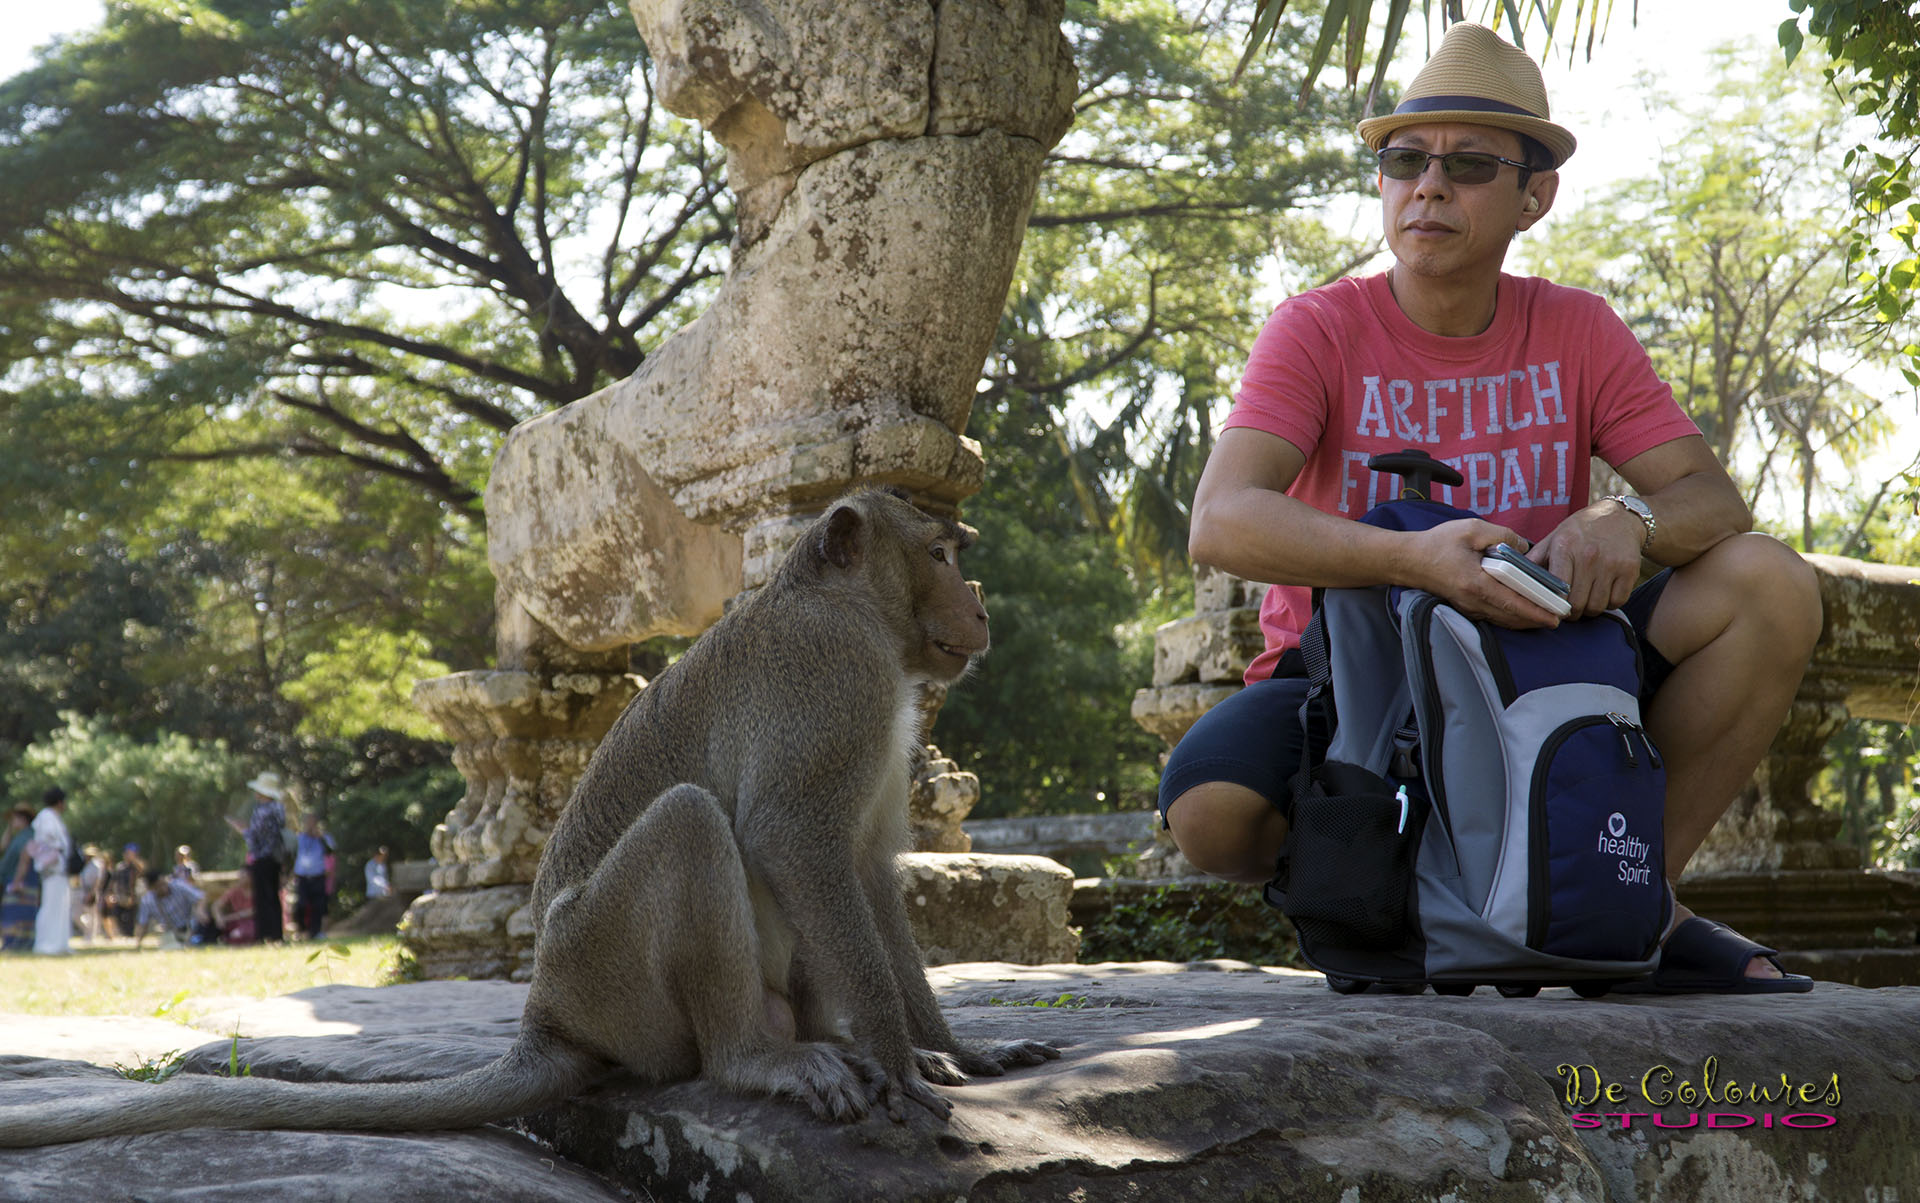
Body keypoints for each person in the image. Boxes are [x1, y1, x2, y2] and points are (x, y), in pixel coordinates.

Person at [1164, 24, 1822, 994]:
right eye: (1404, 160)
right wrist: (1414, 560)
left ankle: (1633, 894)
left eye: (1470, 165)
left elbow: (1711, 500)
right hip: (1365, 682)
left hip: (1547, 666)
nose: (1428, 185)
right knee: (1212, 815)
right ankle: (1405, 894)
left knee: (1770, 583)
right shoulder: (1316, 329)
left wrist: (1624, 521)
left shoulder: (1578, 328)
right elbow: (1222, 520)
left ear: (1534, 196)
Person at [227, 770, 287, 943]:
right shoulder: (278, 808)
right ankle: (277, 934)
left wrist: (242, 830)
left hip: (262, 858)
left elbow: (255, 836)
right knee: (274, 897)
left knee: (262, 897)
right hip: (276, 858)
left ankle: (265, 935)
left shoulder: (262, 811)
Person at [28, 787, 74, 955]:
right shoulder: (47, 816)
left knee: (61, 906)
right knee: (51, 906)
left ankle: (60, 943)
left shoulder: (53, 817)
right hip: (52, 868)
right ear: (60, 802)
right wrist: (59, 847)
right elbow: (48, 837)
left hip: (59, 869)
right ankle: (47, 944)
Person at [130, 869, 206, 950]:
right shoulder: (147, 901)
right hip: (171, 933)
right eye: (158, 886)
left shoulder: (179, 886)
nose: (163, 888)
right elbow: (143, 924)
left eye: (164, 884)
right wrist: (138, 943)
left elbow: (200, 897)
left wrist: (200, 910)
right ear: (151, 888)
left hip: (192, 927)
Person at [291, 811, 334, 940]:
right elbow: (291, 855)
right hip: (302, 876)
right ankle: (302, 930)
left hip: (318, 876)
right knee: (301, 904)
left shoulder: (324, 838)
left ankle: (315, 932)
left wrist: (320, 838)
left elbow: (331, 851)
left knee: (318, 906)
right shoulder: (298, 838)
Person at [1, 806, 38, 952]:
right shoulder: (18, 836)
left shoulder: (28, 836)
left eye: (14, 818)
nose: (12, 821)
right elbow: (2, 846)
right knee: (12, 911)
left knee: (18, 913)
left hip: (22, 880)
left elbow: (25, 860)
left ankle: (18, 944)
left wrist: (17, 881)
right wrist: (9, 827)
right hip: (13, 879)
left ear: (23, 819)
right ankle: (12, 943)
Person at [104, 844, 145, 939]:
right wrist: (109, 894)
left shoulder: (136, 866)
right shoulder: (120, 866)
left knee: (131, 916)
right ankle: (123, 933)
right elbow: (113, 881)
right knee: (117, 914)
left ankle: (130, 934)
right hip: (120, 895)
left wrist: (134, 860)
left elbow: (142, 870)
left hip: (133, 895)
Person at [75, 844, 107, 943]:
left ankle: (90, 936)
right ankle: (87, 932)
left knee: (92, 914)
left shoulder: (96, 865)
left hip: (91, 892)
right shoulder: (85, 866)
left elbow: (98, 881)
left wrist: (92, 893)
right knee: (76, 914)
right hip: (82, 891)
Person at [211, 878, 255, 945]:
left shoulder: (258, 892)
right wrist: (218, 918)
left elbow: (252, 912)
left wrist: (227, 918)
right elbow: (216, 906)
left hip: (252, 922)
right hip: (236, 922)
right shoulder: (234, 891)